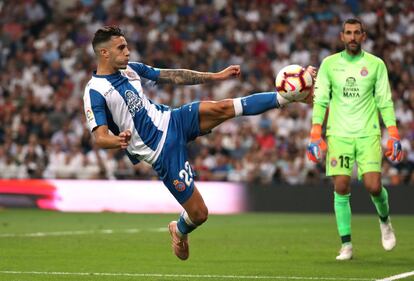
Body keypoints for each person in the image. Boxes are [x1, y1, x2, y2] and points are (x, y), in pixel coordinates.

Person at [84, 26, 314, 260]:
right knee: (200, 213)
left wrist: (216, 76)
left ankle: (288, 97)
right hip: (161, 152)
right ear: (104, 53)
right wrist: (117, 140)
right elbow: (100, 137)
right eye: (121, 48)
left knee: (223, 107)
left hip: (173, 119)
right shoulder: (95, 91)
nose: (128, 52)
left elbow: (174, 75)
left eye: (126, 46)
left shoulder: (131, 69)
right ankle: (180, 230)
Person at [307, 18, 402, 261]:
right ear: (341, 36)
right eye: (348, 33)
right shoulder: (329, 65)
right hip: (338, 134)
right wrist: (315, 132)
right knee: (340, 186)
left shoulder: (376, 64)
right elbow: (321, 100)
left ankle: (385, 221)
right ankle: (346, 245)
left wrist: (393, 133)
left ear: (363, 36)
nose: (352, 37)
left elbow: (384, 100)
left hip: (368, 132)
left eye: (356, 33)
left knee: (373, 186)